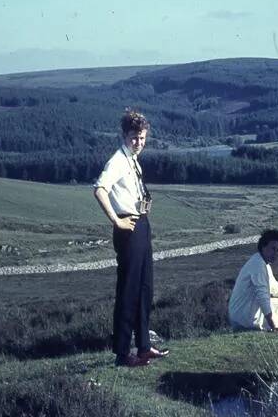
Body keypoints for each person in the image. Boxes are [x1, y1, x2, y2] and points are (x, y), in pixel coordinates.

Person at [94, 110, 168, 367]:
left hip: (141, 223)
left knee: (145, 287)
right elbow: (100, 189)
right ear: (125, 136)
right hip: (128, 227)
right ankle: (123, 353)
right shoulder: (117, 160)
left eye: (143, 138)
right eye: (134, 138)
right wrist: (116, 220)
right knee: (128, 290)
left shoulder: (133, 160)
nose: (139, 143)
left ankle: (144, 346)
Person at [228, 229, 278, 331]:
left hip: (239, 315)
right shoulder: (258, 265)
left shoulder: (262, 263)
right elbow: (262, 295)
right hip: (243, 318)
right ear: (263, 247)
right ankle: (272, 324)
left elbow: (274, 288)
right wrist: (273, 326)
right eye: (273, 249)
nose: (275, 253)